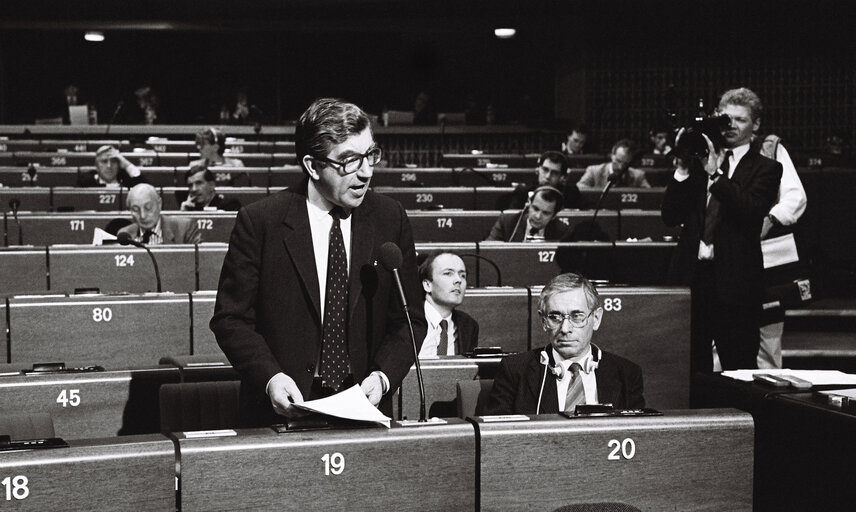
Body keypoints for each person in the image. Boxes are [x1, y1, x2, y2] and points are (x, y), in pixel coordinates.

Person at [210, 98, 427, 426]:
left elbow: (409, 321)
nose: (366, 172)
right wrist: (271, 378)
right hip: (282, 411)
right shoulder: (261, 222)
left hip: (364, 409)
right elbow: (231, 319)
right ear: (312, 166)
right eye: (350, 161)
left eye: (370, 155)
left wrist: (383, 376)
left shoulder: (390, 218)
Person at [662, 87, 782, 374]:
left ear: (756, 125)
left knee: (738, 368)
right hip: (693, 279)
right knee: (692, 369)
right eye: (725, 119)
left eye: (740, 120)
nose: (731, 126)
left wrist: (716, 175)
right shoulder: (698, 162)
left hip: (737, 284)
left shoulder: (767, 168)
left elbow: (752, 211)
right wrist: (681, 168)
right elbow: (670, 216)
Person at [483, 273, 644, 415]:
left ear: (596, 318)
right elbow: (496, 438)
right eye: (555, 317)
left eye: (577, 316)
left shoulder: (626, 374)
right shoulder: (515, 371)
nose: (565, 329)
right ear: (544, 321)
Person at [417, 251, 479, 357]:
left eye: (463, 275)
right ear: (427, 285)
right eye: (448, 273)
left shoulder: (468, 325)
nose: (458, 280)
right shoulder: (407, 319)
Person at [118, 183, 202, 244]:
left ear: (159, 204)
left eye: (148, 208)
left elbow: (201, 262)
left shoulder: (185, 228)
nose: (142, 215)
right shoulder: (125, 235)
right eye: (136, 210)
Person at [486, 186, 569, 242]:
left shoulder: (562, 231)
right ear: (528, 205)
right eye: (535, 209)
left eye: (546, 213)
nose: (538, 216)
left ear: (553, 216)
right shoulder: (507, 221)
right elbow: (488, 251)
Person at [577, 139, 650, 189]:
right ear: (612, 156)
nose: (620, 167)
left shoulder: (638, 175)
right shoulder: (594, 171)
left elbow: (649, 195)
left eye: (625, 164)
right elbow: (580, 188)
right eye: (618, 161)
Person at [78, 145, 147, 188]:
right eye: (104, 161)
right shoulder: (85, 183)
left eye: (113, 161)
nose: (109, 166)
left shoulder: (127, 181)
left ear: (119, 164)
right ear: (97, 166)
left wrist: (126, 164)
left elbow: (146, 189)